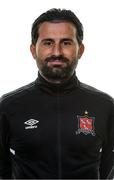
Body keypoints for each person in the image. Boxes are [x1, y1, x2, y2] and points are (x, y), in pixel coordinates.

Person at [0, 8, 114, 179]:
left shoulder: (104, 106)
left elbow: (107, 171)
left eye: (66, 42)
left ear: (80, 50)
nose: (57, 52)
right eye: (48, 43)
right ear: (33, 50)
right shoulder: (8, 107)